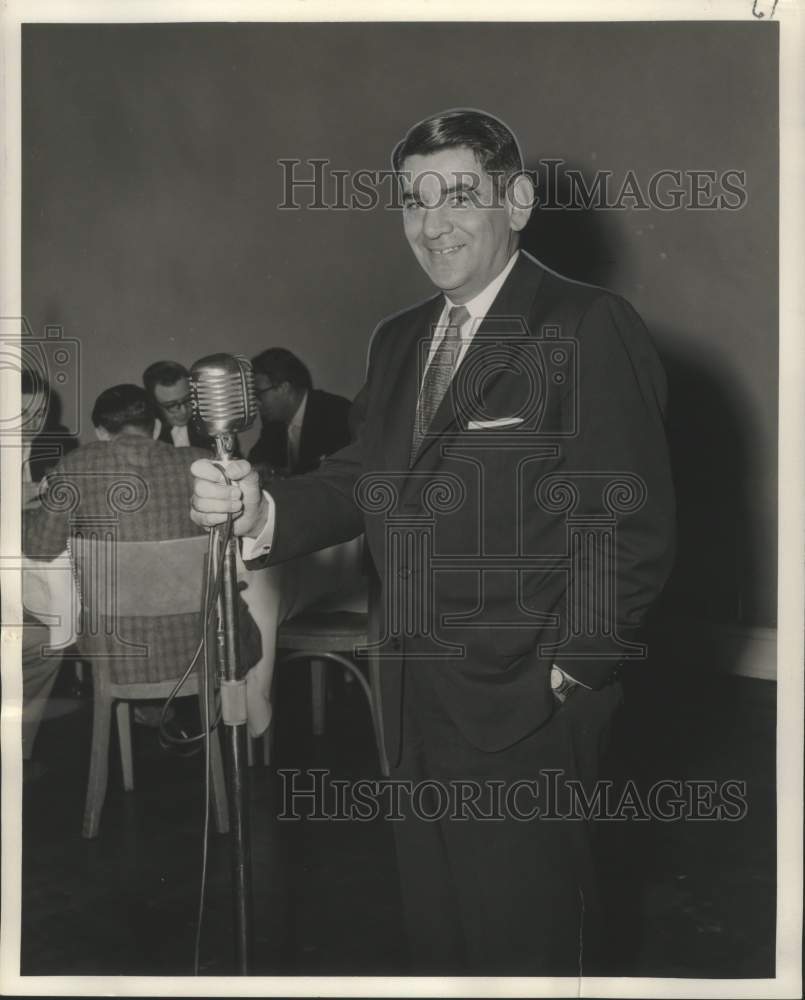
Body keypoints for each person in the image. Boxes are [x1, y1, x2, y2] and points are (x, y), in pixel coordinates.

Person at [190, 109, 676, 975]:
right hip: (411, 694)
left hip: (528, 699)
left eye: (458, 195)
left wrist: (575, 666)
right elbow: (359, 478)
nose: (431, 222)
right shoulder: (401, 336)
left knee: (525, 940)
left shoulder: (585, 323)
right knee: (443, 939)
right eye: (413, 201)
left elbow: (627, 515)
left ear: (518, 201)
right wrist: (261, 508)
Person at [24, 384, 260, 732]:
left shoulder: (74, 467)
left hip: (117, 653)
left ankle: (149, 719)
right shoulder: (204, 466)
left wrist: (25, 515)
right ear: (156, 427)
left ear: (101, 432)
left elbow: (40, 548)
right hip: (203, 645)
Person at [248, 347, 352, 483]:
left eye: (259, 393)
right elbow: (258, 459)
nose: (256, 402)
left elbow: (336, 476)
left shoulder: (336, 412)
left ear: (284, 388)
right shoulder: (274, 421)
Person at [142, 360, 212, 450]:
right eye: (171, 405)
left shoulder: (210, 422)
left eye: (188, 399)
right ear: (155, 403)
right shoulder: (149, 433)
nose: (184, 411)